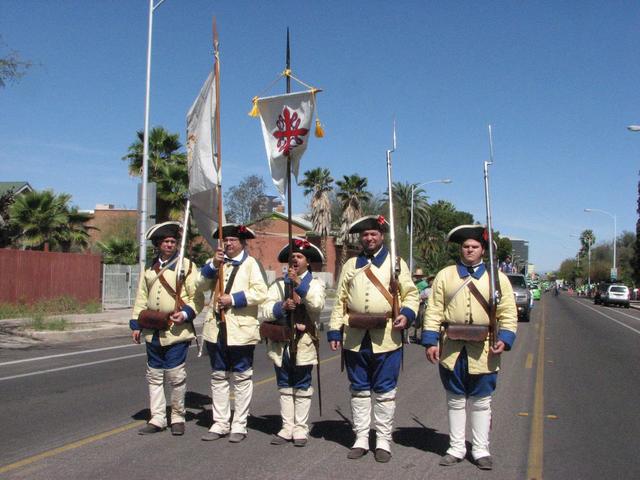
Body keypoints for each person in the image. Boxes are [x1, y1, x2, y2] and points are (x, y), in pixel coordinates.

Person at [422, 225, 517, 470]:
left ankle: (481, 449)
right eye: (466, 246)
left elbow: (508, 312)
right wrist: (430, 340)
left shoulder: (498, 278)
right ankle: (455, 448)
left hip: (484, 348)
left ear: (483, 250)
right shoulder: (445, 275)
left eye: (475, 246)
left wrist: (505, 338)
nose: (470, 250)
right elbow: (434, 308)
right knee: (455, 399)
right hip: (452, 347)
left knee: (481, 401)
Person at [327, 215, 419, 463]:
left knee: (385, 391)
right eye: (365, 234)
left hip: (387, 336)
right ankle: (360, 438)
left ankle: (383, 440)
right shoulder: (351, 264)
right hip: (355, 336)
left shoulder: (396, 263)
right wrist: (335, 330)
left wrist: (407, 315)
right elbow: (340, 301)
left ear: (382, 236)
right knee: (359, 389)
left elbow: (411, 294)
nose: (369, 238)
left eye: (374, 234)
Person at [130, 221, 205, 436]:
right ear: (158, 244)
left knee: (175, 375)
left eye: (173, 241)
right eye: (166, 242)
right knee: (154, 375)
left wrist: (186, 313)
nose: (170, 245)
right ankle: (157, 418)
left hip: (176, 331)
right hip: (152, 329)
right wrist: (136, 324)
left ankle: (178, 416)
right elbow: (141, 298)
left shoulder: (187, 266)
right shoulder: (149, 269)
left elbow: (196, 297)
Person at [197, 224, 268, 443]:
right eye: (225, 240)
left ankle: (239, 423)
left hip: (240, 329)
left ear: (242, 243)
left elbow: (261, 292)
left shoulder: (251, 264)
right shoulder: (217, 263)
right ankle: (220, 422)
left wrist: (234, 299)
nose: (228, 243)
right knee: (219, 376)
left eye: (233, 240)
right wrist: (212, 265)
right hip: (216, 328)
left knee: (241, 376)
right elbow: (199, 285)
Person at [259, 238, 326, 447]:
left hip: (304, 341)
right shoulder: (278, 285)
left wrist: (298, 285)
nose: (295, 260)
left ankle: (300, 428)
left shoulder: (316, 284)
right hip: (282, 341)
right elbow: (264, 310)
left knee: (302, 385)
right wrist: (281, 307)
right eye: (292, 257)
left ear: (308, 262)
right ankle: (287, 427)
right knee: (284, 385)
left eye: (299, 256)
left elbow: (316, 305)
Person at [411, 268, 429, 342]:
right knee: (416, 318)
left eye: (419, 276)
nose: (418, 277)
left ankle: (421, 336)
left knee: (421, 319)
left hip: (422, 303)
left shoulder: (424, 284)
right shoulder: (415, 283)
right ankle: (415, 334)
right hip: (415, 302)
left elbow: (425, 293)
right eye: (417, 276)